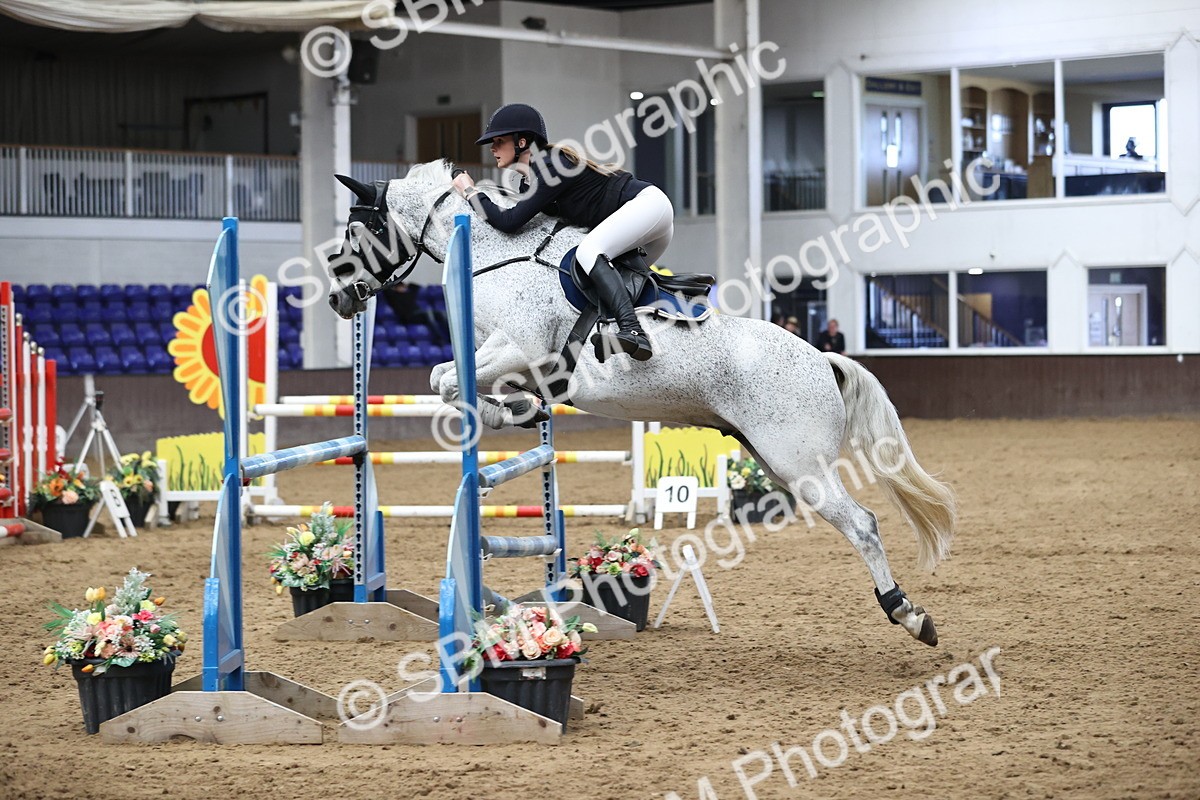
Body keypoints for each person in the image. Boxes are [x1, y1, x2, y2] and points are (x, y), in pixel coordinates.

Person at [451, 103, 673, 361]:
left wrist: (470, 191)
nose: (492, 148)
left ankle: (633, 331)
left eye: (499, 141)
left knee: (588, 252)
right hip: (645, 217)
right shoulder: (529, 181)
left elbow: (509, 221)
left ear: (522, 142)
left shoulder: (551, 165)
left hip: (647, 206)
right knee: (597, 279)